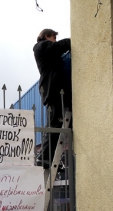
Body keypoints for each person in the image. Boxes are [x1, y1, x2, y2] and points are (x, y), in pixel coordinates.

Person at [33, 29, 72, 169]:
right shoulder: (41, 46)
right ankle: (44, 157)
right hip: (54, 91)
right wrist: (73, 39)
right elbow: (59, 46)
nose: (55, 39)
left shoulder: (47, 50)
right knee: (54, 125)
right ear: (46, 36)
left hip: (55, 91)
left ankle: (51, 157)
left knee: (58, 125)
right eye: (53, 37)